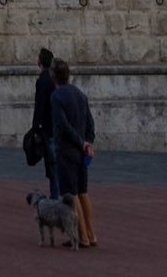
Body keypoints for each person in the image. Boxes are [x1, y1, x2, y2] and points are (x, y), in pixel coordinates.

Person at [50, 59, 97, 248]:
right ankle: (91, 234)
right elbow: (90, 124)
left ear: (54, 77)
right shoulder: (80, 95)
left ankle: (81, 236)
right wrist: (88, 143)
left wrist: (80, 142)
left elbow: (63, 125)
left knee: (71, 194)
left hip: (67, 150)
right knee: (83, 192)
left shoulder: (57, 96)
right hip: (81, 151)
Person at [33, 47, 59, 199]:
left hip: (48, 128)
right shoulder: (52, 79)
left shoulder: (43, 80)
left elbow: (40, 105)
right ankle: (55, 193)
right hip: (53, 126)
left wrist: (35, 127)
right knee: (52, 163)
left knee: (52, 163)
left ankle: (55, 195)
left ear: (41, 61)